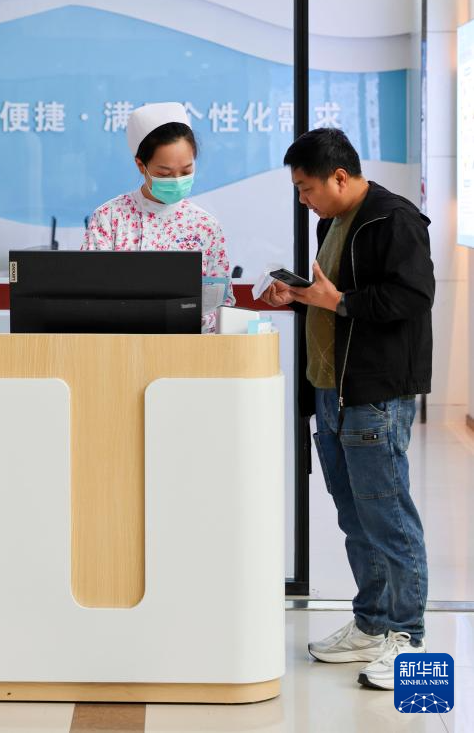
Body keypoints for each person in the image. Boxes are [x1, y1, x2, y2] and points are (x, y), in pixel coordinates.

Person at [261, 128, 434, 691]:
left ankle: (408, 637)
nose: (302, 199)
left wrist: (336, 300)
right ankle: (371, 624)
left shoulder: (394, 219)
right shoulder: (331, 222)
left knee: (389, 517)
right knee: (355, 517)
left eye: (306, 188)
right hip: (329, 390)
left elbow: (413, 297)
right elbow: (335, 303)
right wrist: (299, 297)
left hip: (373, 394)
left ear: (339, 176)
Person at [82, 101, 234, 332]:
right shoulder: (110, 218)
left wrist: (191, 318)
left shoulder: (205, 225)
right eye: (164, 173)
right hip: (121, 344)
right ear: (140, 165)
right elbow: (87, 294)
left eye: (186, 170)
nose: (177, 180)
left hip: (189, 346)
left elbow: (224, 304)